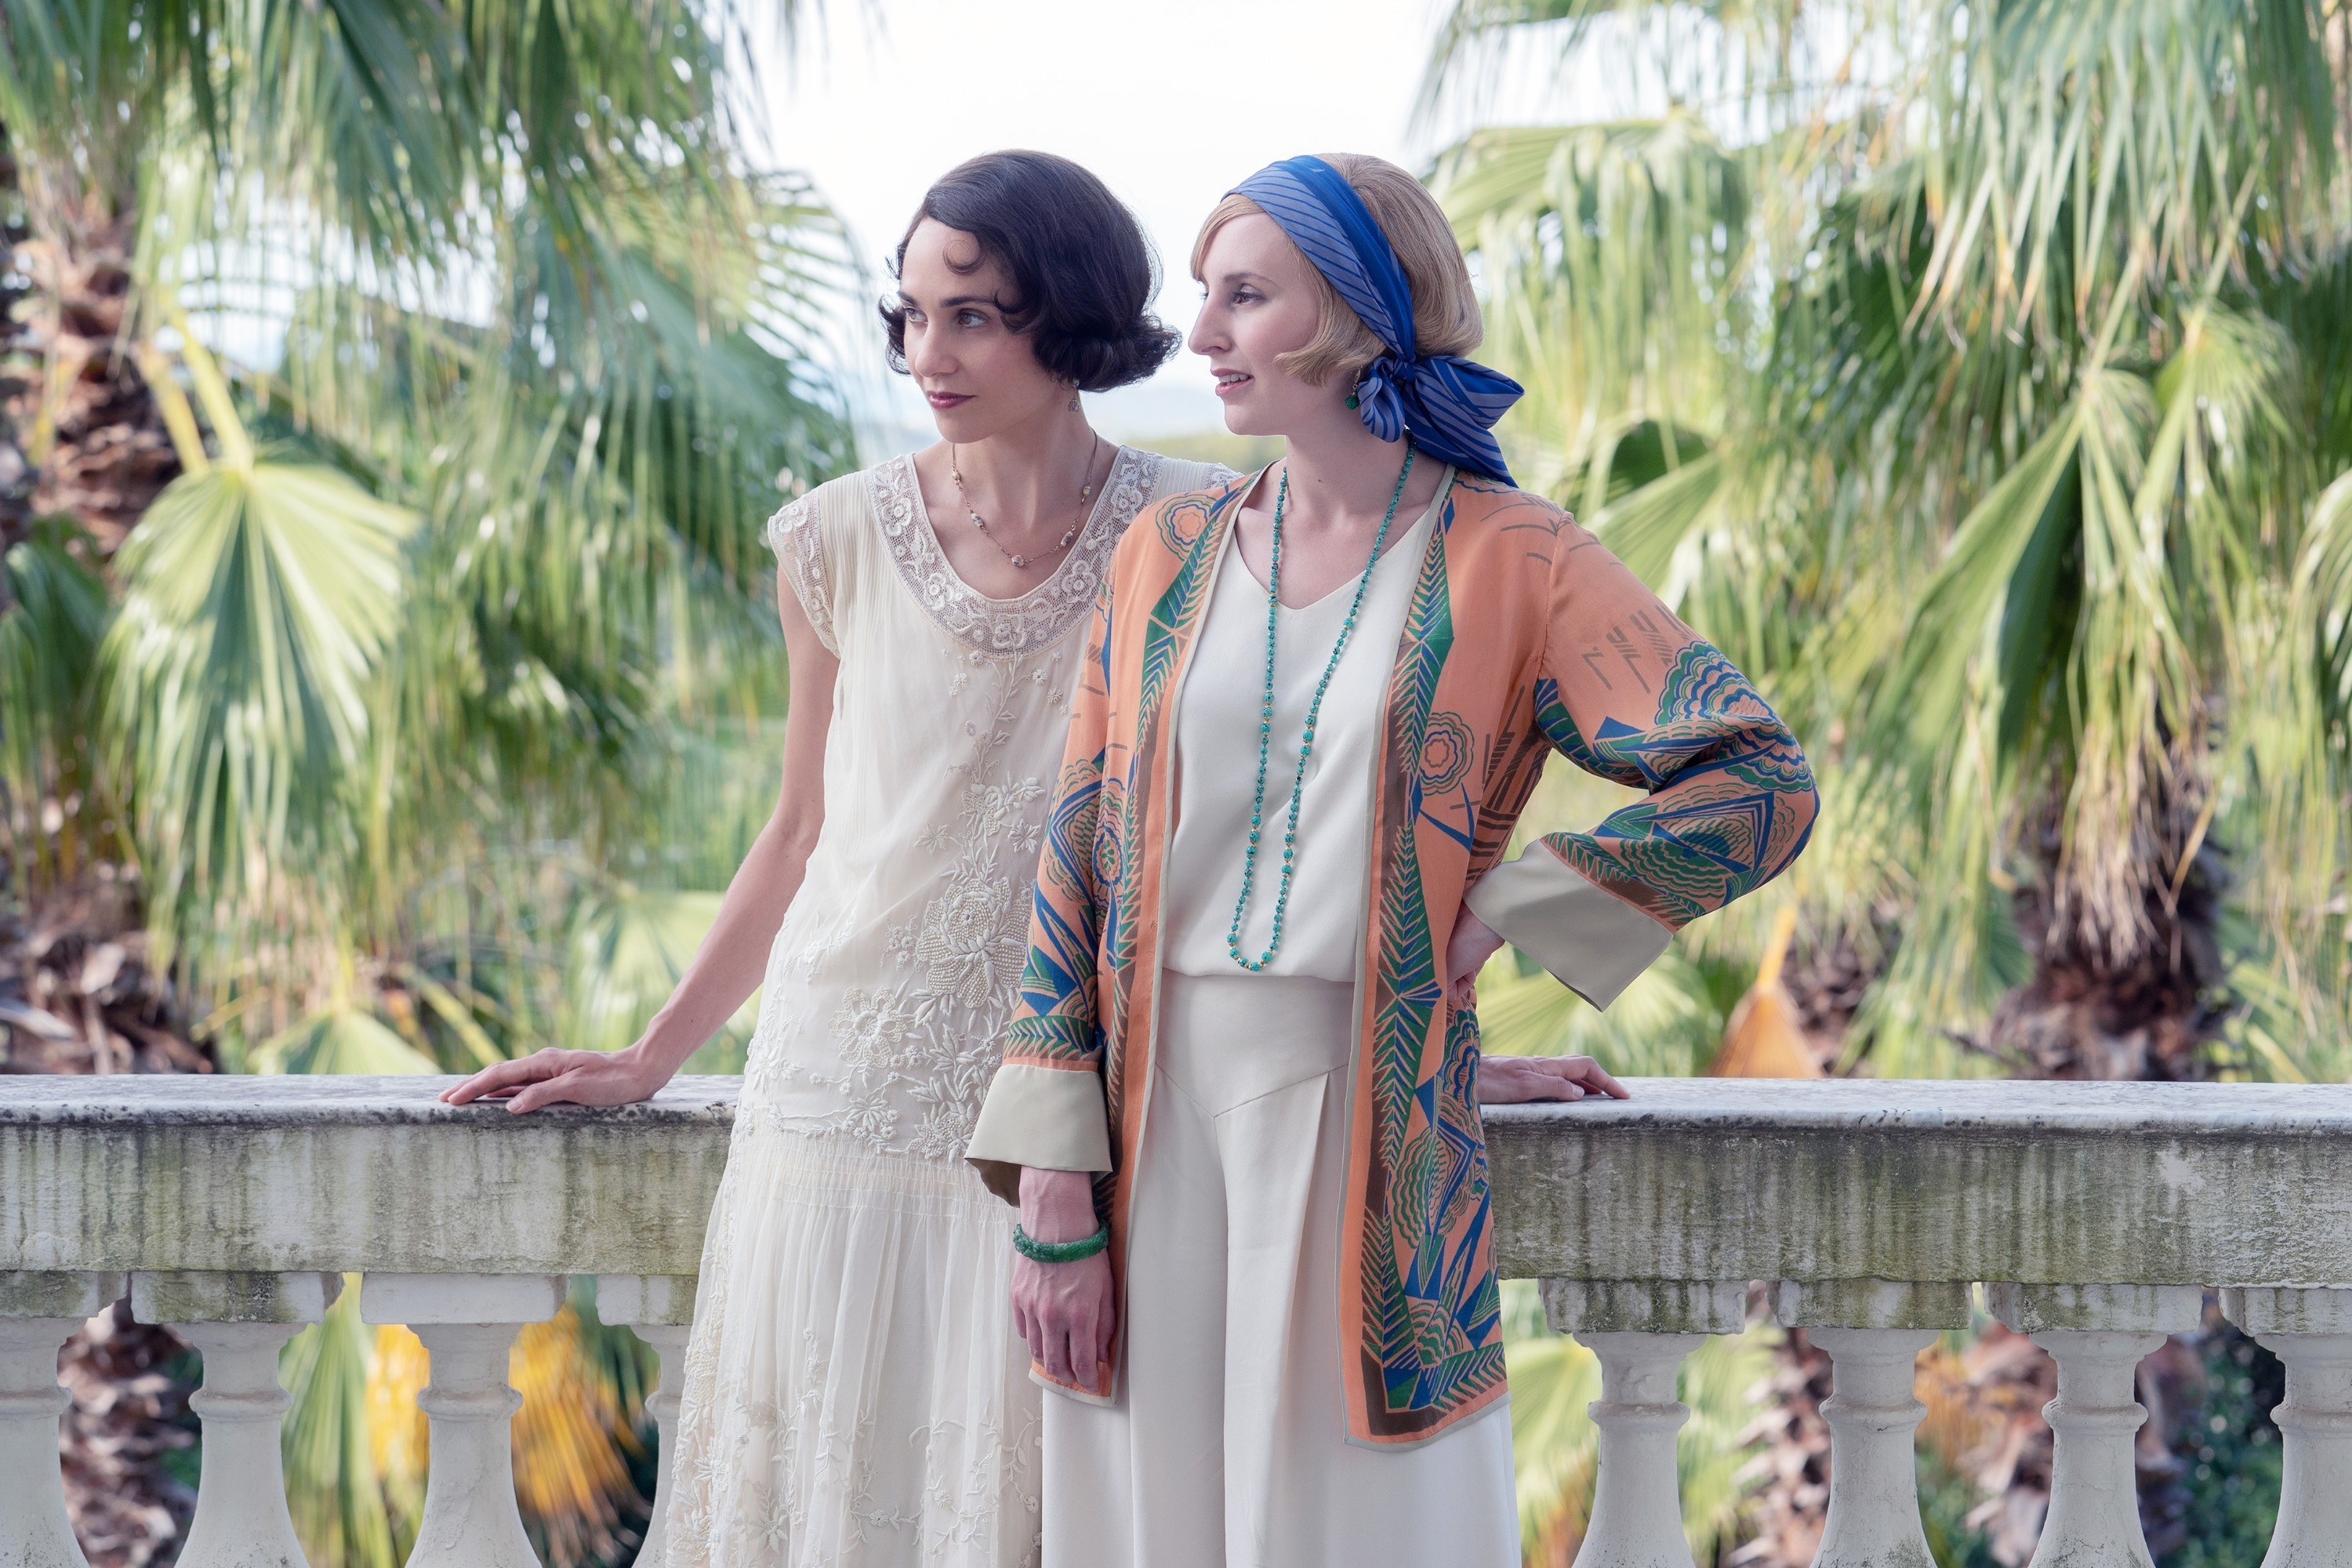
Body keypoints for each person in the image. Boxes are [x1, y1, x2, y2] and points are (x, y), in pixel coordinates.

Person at [963, 154, 1819, 1568]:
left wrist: (1507, 918)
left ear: (1359, 313)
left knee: (1356, 1523)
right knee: (1150, 1520)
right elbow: (1080, 860)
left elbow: (1754, 778)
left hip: (1374, 1134)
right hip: (1151, 1124)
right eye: (1205, 298)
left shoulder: (1515, 560)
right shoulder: (1163, 556)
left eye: (1247, 297)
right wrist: (1056, 1189)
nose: (1208, 334)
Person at [441, 150, 1229, 1568]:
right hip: (838, 1096)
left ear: (1073, 316)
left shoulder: (1198, 528)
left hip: (1066, 1110)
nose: (931, 352)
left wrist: (1420, 1030)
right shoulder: (835, 537)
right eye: (913, 312)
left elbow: (1274, 821)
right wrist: (650, 1056)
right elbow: (799, 829)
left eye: (976, 313)